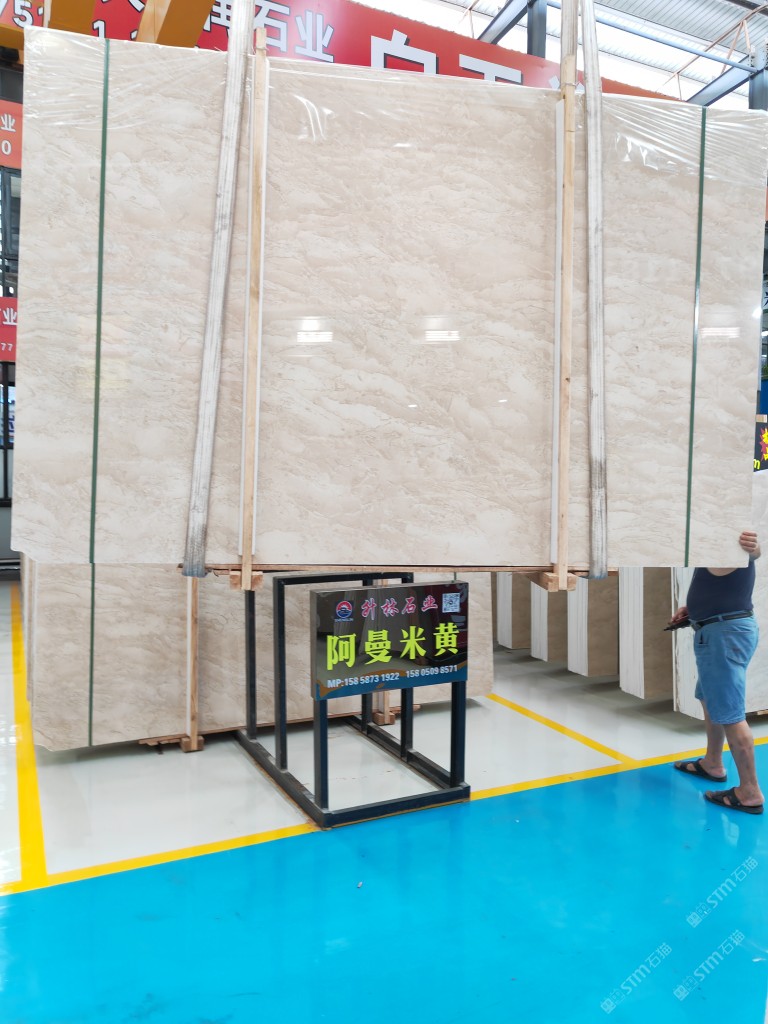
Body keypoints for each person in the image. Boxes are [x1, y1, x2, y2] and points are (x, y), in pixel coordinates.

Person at [671, 530, 764, 815]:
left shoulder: (726, 539)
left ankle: (749, 791)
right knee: (709, 698)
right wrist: (696, 608)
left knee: (729, 712)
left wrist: (754, 548)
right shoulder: (713, 546)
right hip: (720, 629)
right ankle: (712, 762)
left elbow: (751, 551)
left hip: (723, 634)